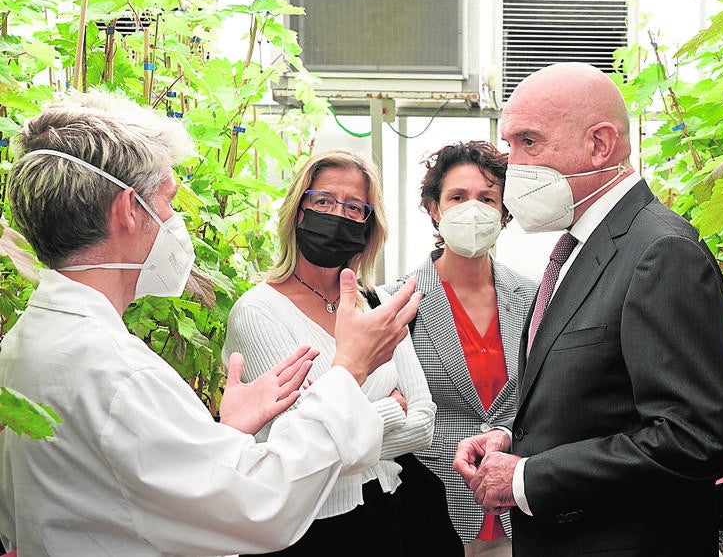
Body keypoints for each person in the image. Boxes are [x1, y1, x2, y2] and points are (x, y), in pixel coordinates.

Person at [0, 94, 424, 557]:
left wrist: (228, 433)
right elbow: (261, 507)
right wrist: (348, 371)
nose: (173, 222)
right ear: (127, 210)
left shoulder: (29, 341)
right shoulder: (118, 373)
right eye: (167, 202)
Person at [453, 62, 723, 556]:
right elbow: (599, 402)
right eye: (510, 145)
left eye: (529, 143)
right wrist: (514, 439)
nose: (510, 165)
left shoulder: (659, 252)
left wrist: (529, 477)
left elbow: (692, 438)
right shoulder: (584, 245)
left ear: (599, 145)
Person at [224, 149, 437, 555]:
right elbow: (301, 449)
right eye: (323, 201)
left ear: (368, 224)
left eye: (354, 207)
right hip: (311, 529)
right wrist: (392, 410)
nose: (337, 214)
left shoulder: (377, 303)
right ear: (298, 211)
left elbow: (424, 422)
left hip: (390, 515)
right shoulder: (257, 312)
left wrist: (345, 429)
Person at [386, 141, 537, 557]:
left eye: (487, 198)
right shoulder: (399, 301)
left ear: (504, 212)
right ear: (434, 209)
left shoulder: (534, 297)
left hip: (519, 508)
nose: (473, 209)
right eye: (457, 197)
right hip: (433, 509)